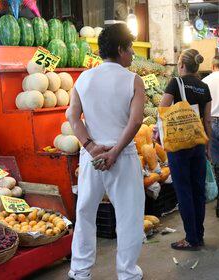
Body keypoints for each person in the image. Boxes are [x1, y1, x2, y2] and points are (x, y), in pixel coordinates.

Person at [67, 24, 145, 280]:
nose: (132, 53)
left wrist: (89, 146)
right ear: (121, 49)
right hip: (121, 157)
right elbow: (135, 122)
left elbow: (73, 116)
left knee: (85, 213)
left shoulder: (84, 78)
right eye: (131, 47)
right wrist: (114, 153)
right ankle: (127, 273)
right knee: (129, 216)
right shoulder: (133, 80)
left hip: (91, 157)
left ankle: (79, 271)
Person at [160, 49, 212, 250]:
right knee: (198, 190)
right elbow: (208, 119)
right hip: (198, 143)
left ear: (181, 65)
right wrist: (208, 145)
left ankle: (191, 238)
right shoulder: (204, 87)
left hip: (179, 144)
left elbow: (163, 109)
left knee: (184, 192)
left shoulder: (176, 83)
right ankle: (198, 234)